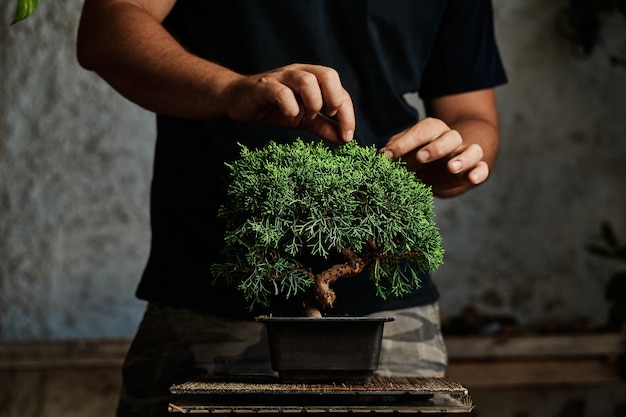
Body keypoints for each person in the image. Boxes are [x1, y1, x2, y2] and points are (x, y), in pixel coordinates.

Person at [77, 1, 507, 416]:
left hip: (387, 318)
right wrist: (230, 88)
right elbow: (107, 25)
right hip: (209, 307)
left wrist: (457, 156)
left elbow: (472, 114)